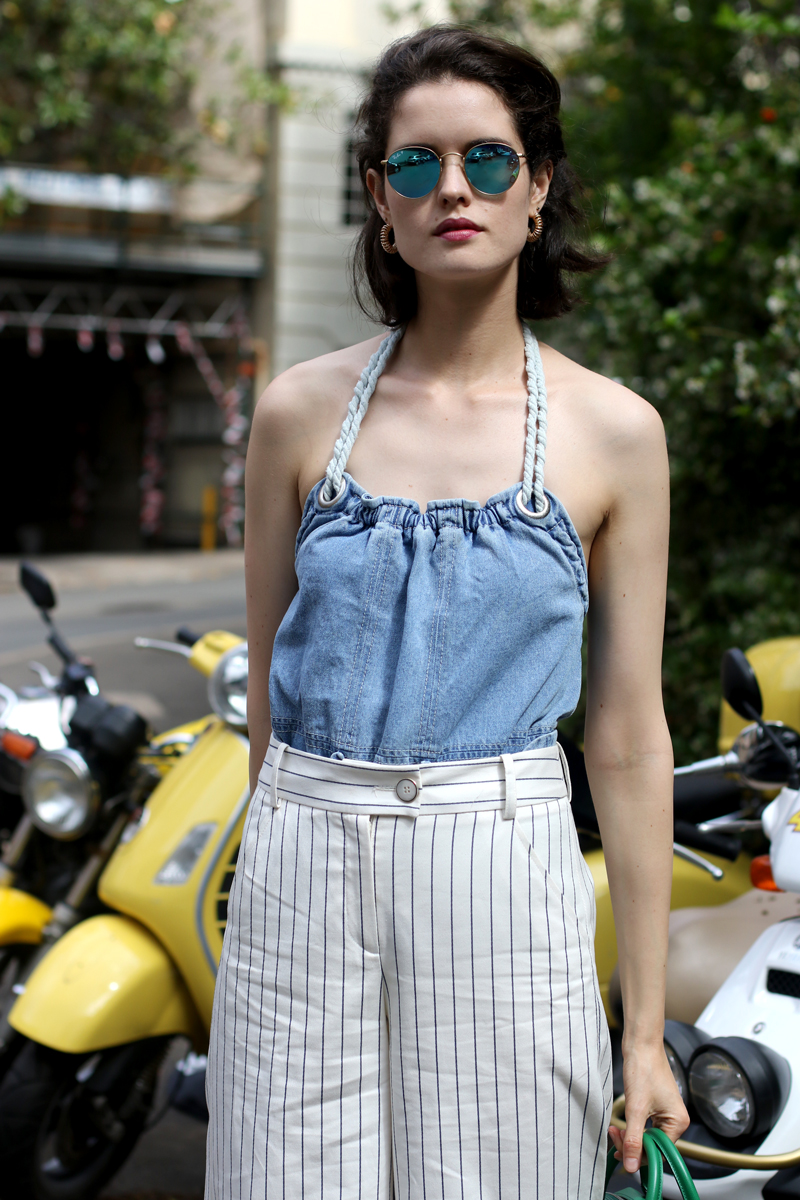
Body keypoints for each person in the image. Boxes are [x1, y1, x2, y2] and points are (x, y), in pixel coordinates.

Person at [205, 24, 689, 1200]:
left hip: (504, 868)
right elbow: (268, 689)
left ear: (537, 188)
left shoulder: (613, 434)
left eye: (486, 159)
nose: (452, 189)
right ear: (380, 199)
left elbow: (623, 741)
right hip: (298, 874)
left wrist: (640, 1032)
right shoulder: (294, 413)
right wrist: (288, 851)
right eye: (414, 165)